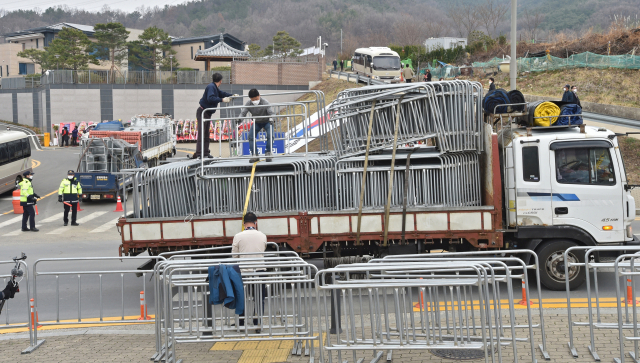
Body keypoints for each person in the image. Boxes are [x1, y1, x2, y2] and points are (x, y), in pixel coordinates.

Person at [232, 212, 267, 331]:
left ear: (243, 223)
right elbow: (263, 250)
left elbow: (234, 255)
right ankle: (258, 323)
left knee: (241, 296)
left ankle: (241, 322)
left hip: (244, 271)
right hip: (260, 270)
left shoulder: (238, 236)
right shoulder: (263, 235)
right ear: (256, 223)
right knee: (259, 298)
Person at [195, 73, 237, 159]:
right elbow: (210, 98)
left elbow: (222, 93)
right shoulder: (211, 87)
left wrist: (231, 95)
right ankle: (199, 153)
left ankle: (206, 152)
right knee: (202, 133)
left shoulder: (214, 87)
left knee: (206, 133)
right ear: (221, 81)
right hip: (203, 112)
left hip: (207, 112)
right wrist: (222, 100)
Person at [238, 89, 276, 163]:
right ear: (250, 99)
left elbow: (271, 113)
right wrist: (239, 119)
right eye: (253, 100)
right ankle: (254, 154)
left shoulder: (265, 102)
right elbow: (243, 113)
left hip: (267, 121)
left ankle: (268, 152)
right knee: (251, 136)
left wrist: (272, 118)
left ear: (259, 96)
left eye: (256, 99)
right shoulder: (248, 103)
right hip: (256, 122)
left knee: (270, 135)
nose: (255, 101)